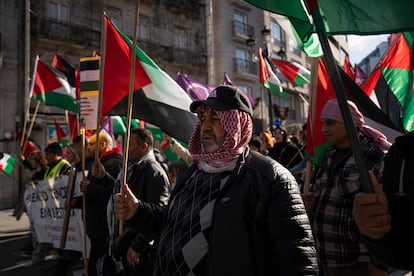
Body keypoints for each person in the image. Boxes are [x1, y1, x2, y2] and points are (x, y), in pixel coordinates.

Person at [114, 85, 318, 275]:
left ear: (237, 125)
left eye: (216, 118)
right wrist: (139, 211)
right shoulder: (196, 170)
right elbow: (174, 221)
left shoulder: (271, 179)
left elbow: (297, 262)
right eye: (203, 118)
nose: (206, 127)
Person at [302, 99, 391, 276]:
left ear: (349, 122)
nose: (323, 129)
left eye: (330, 123)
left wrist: (377, 264)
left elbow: (384, 211)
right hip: (327, 260)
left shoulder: (372, 156)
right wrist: (311, 203)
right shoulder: (328, 155)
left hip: (359, 264)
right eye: (322, 123)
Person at [95, 128, 171, 276]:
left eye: (129, 144)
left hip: (139, 253)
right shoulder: (132, 168)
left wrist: (138, 245)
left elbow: (160, 213)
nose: (125, 149)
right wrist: (104, 178)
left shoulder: (153, 171)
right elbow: (119, 194)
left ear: (144, 147)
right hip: (125, 244)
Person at [353, 132, 414, 271]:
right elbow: (400, 256)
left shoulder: (373, 154)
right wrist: (375, 232)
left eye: (331, 123)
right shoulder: (403, 152)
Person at [80, 132, 123, 276]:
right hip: (96, 226)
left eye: (91, 145)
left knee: (100, 265)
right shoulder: (100, 163)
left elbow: (113, 194)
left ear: (103, 145)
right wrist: (77, 202)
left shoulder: (114, 163)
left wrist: (90, 187)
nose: (88, 148)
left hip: (104, 226)